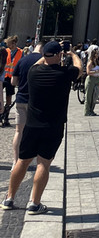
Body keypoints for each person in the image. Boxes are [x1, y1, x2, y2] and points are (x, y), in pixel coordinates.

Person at [2, 40, 82, 213]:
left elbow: (39, 62)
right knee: (43, 164)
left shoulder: (33, 72)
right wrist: (72, 53)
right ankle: (34, 203)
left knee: (22, 162)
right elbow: (79, 68)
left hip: (32, 125)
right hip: (53, 126)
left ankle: (9, 199)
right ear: (60, 55)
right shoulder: (64, 73)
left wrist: (46, 53)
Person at [10, 41, 43, 165]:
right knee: (33, 131)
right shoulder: (42, 60)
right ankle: (30, 159)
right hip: (34, 102)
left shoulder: (22, 60)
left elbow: (13, 81)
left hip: (20, 99)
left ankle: (15, 161)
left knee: (19, 131)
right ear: (43, 50)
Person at [2, 36, 22, 127]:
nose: (9, 46)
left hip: (12, 77)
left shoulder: (20, 52)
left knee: (9, 97)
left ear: (14, 43)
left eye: (10, 45)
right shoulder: (6, 51)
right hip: (3, 76)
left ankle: (5, 116)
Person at [84, 46, 99, 116]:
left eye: (98, 53)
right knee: (89, 96)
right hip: (91, 79)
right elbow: (88, 72)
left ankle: (92, 110)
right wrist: (95, 71)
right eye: (96, 53)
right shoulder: (90, 62)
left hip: (96, 79)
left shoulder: (97, 61)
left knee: (95, 95)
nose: (97, 55)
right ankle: (87, 111)